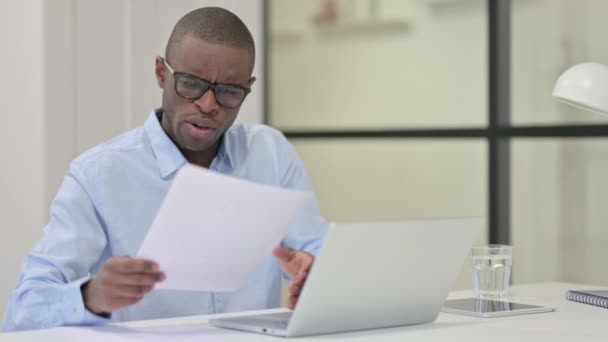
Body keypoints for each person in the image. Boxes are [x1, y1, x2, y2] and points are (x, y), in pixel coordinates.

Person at [3, 7, 328, 331]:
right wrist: (91, 296)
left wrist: (312, 271)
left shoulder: (270, 153)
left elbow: (318, 255)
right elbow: (22, 311)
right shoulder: (98, 176)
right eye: (190, 84)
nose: (208, 104)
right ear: (161, 73)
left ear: (248, 87)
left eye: (229, 92)